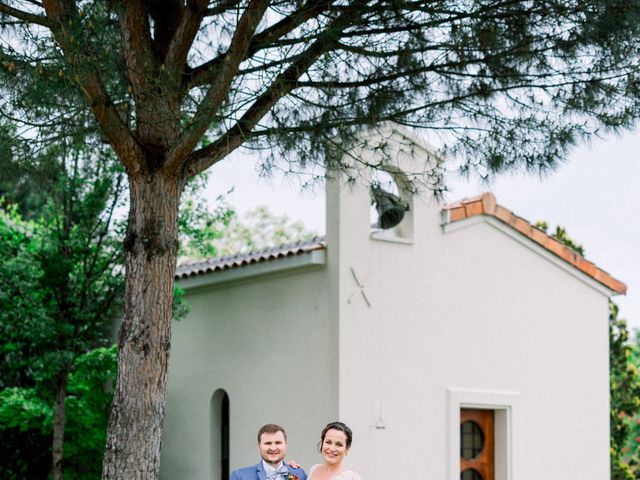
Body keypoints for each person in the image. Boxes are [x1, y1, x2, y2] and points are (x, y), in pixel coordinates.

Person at [230, 424, 307, 480]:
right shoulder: (240, 476)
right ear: (259, 446)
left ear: (285, 445)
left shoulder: (300, 474)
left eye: (278, 443)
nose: (273, 448)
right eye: (268, 443)